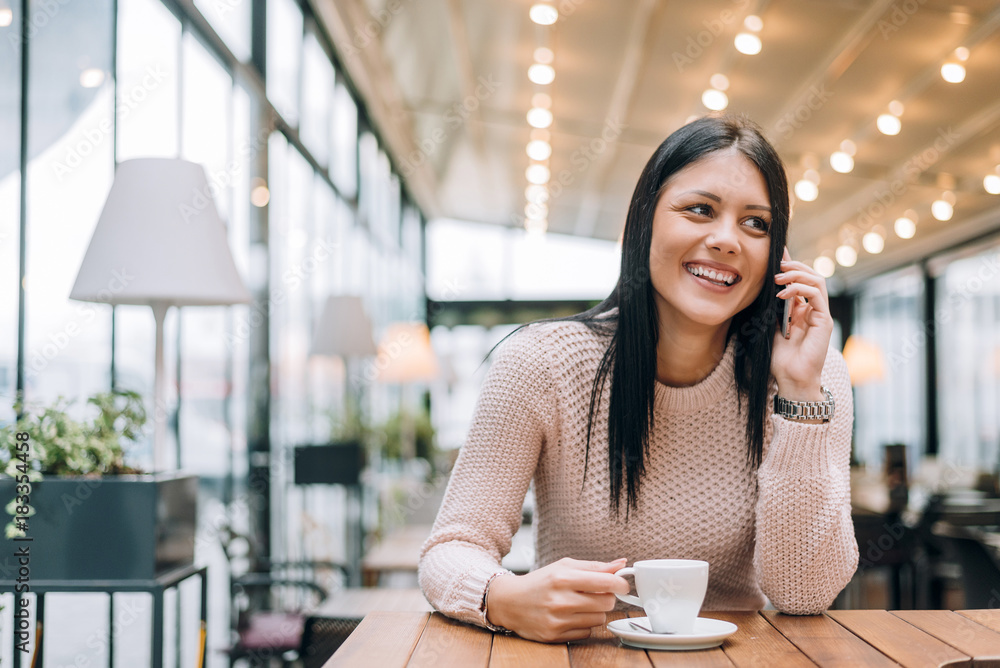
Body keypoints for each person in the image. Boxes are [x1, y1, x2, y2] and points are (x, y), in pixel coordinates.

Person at [418, 115, 858, 643]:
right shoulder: (543, 363)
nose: (726, 239)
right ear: (643, 223)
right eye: (700, 209)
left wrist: (800, 394)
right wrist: (503, 597)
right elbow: (451, 547)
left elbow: (804, 594)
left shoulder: (811, 373)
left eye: (756, 223)